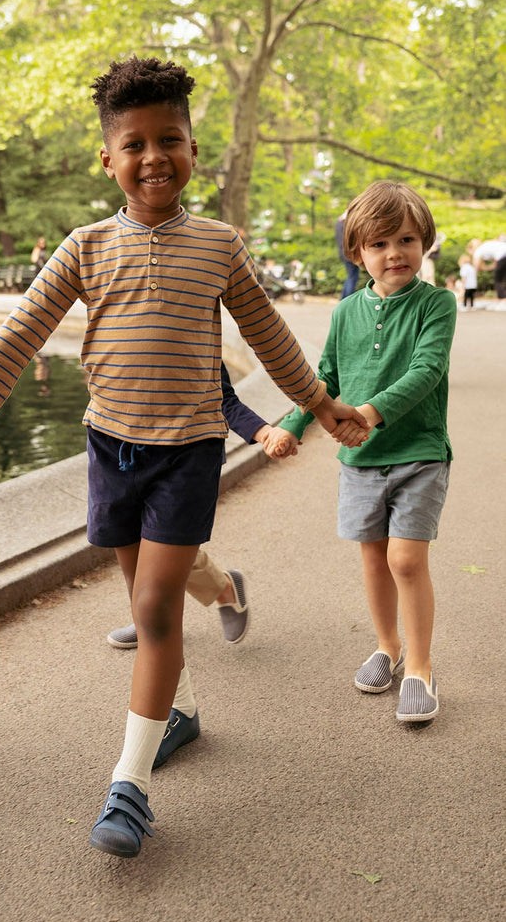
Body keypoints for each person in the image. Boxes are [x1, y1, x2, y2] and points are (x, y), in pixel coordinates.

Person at [0, 56, 366, 860]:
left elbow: (269, 338)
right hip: (109, 451)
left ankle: (129, 787)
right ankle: (179, 705)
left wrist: (320, 405)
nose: (155, 157)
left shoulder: (219, 245)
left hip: (186, 452)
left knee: (152, 611)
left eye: (171, 140)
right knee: (154, 598)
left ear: (193, 149)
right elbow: (17, 338)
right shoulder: (83, 248)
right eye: (136, 144)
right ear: (107, 160)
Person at [280, 181, 456, 725]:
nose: (394, 253)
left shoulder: (437, 304)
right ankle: (388, 647)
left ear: (424, 242)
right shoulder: (346, 311)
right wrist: (293, 424)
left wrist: (368, 415)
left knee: (406, 559)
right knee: (374, 559)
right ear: (358, 253)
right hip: (360, 461)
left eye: (405, 239)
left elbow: (427, 371)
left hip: (419, 451)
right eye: (378, 244)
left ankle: (421, 668)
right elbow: (325, 376)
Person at [106, 361, 299, 665]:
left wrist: (263, 433)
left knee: (166, 542)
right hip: (121, 453)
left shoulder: (196, 332)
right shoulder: (114, 325)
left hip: (185, 455)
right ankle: (156, 613)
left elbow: (222, 398)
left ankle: (161, 615)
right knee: (136, 540)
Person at [336, 210, 359, 298]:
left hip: (343, 253)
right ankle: (347, 298)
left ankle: (344, 298)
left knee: (350, 276)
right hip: (349, 253)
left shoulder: (338, 222)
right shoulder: (346, 223)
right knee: (353, 277)